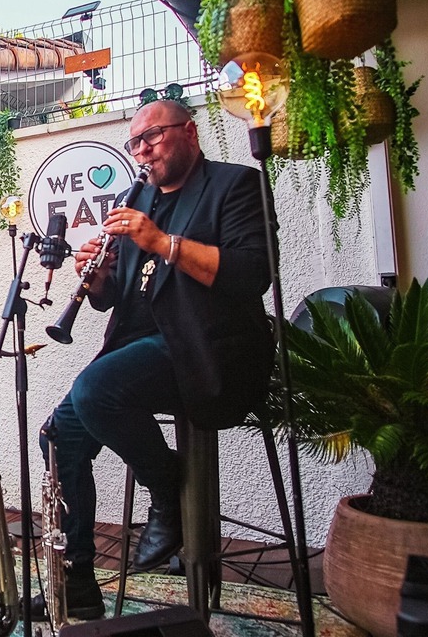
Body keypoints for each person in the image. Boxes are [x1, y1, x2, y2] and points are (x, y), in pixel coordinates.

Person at [42, 99, 276, 619]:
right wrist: (98, 277)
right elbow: (116, 298)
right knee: (60, 436)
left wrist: (161, 242)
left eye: (153, 136)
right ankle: (78, 583)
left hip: (209, 347)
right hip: (143, 348)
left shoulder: (234, 185)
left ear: (189, 132)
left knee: (96, 389)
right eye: (136, 143)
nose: (143, 150)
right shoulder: (138, 198)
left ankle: (168, 493)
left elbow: (252, 273)